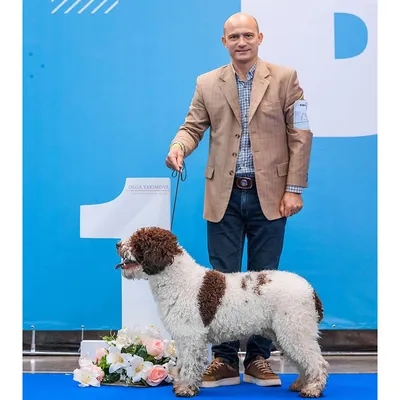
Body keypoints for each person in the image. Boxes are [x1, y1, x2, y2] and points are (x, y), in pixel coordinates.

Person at [165, 12, 312, 388]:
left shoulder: (284, 78)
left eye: (248, 35)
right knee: (221, 281)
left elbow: (301, 133)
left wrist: (293, 188)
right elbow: (192, 125)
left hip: (271, 195)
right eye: (234, 36)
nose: (241, 41)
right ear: (224, 42)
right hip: (223, 195)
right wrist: (179, 147)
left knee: (265, 279)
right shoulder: (207, 82)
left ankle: (260, 360)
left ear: (260, 38)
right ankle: (225, 361)